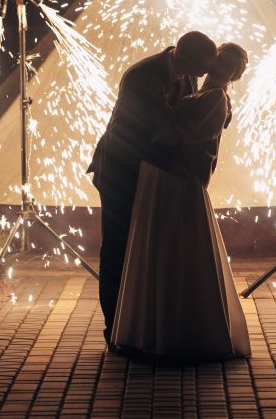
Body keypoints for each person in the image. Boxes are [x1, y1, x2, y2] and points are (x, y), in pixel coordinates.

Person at [111, 42, 251, 362]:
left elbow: (177, 134)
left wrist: (160, 110)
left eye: (227, 67)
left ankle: (176, 329)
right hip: (166, 178)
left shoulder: (215, 98)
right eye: (218, 61)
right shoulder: (194, 89)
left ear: (235, 75)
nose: (217, 69)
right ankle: (161, 327)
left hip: (179, 181)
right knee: (165, 250)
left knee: (177, 252)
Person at [88, 30, 218, 348]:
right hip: (121, 170)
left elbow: (177, 124)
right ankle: (113, 328)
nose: (207, 73)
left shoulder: (185, 77)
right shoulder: (141, 76)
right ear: (187, 56)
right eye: (204, 65)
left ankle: (137, 323)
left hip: (151, 174)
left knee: (146, 250)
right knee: (118, 248)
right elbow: (134, 133)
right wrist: (172, 164)